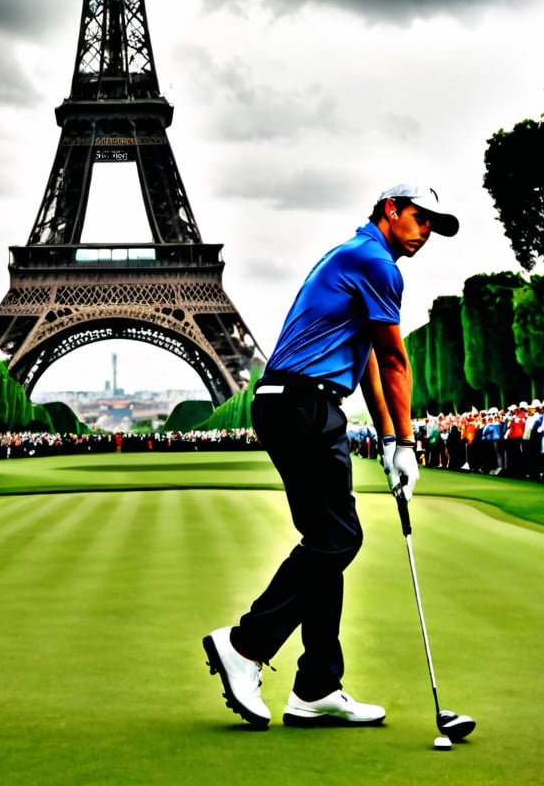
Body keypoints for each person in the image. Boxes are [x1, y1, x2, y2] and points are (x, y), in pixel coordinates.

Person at [202, 182, 459, 729]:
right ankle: (245, 645)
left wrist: (389, 440)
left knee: (327, 542)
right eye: (421, 217)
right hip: (303, 405)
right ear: (391, 209)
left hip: (295, 404)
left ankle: (317, 686)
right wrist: (411, 443)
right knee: (340, 539)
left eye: (436, 224)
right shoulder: (376, 262)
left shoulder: (355, 256)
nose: (427, 231)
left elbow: (365, 362)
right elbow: (393, 361)